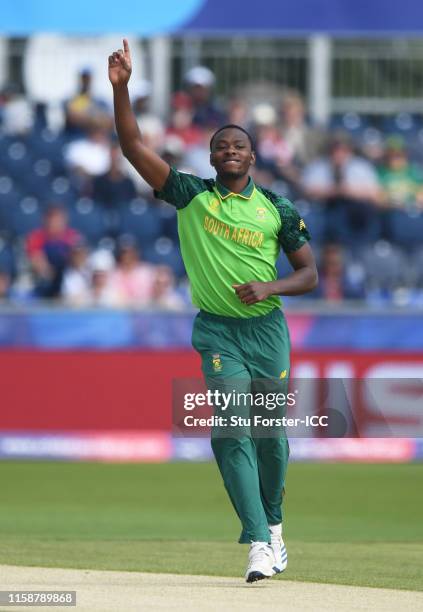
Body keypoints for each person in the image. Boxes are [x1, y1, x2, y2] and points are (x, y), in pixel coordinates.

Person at [109, 39, 318, 583]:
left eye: (238, 145)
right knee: (230, 431)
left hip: (267, 331)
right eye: (220, 144)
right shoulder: (190, 195)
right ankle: (256, 543)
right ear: (211, 157)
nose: (229, 149)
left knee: (272, 437)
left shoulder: (277, 207)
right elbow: (132, 146)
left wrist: (270, 287)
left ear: (252, 157)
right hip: (217, 333)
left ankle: (274, 528)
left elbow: (309, 274)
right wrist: (122, 88)